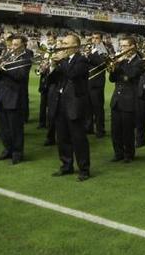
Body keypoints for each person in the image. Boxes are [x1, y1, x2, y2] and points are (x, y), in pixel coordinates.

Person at [47, 34, 92, 180]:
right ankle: (66, 165)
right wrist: (52, 65)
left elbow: (72, 74)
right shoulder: (63, 61)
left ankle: (84, 170)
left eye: (66, 43)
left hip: (75, 104)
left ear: (75, 46)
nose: (62, 46)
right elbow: (52, 80)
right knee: (62, 137)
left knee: (78, 138)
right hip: (60, 103)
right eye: (63, 43)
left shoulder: (82, 60)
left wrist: (60, 61)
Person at [0, 35, 33, 164]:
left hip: (15, 96)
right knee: (4, 127)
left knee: (15, 128)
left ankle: (17, 152)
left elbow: (20, 76)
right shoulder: (7, 56)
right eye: (12, 44)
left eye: (16, 45)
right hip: (2, 95)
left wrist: (4, 68)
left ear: (23, 46)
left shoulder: (26, 58)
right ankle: (7, 149)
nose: (12, 47)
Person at [108, 36, 145, 163]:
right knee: (115, 130)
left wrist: (120, 63)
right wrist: (114, 67)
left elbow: (131, 74)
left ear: (132, 46)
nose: (122, 49)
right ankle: (118, 153)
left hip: (129, 100)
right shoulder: (121, 61)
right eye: (121, 46)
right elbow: (112, 79)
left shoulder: (139, 61)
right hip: (117, 99)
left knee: (127, 130)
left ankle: (129, 154)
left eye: (124, 46)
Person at [86, 32, 108, 138]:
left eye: (97, 38)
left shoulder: (102, 50)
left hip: (97, 83)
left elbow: (102, 63)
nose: (94, 40)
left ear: (101, 39)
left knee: (98, 108)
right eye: (93, 38)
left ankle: (100, 130)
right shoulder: (91, 49)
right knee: (88, 107)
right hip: (88, 81)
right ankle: (89, 127)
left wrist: (91, 54)